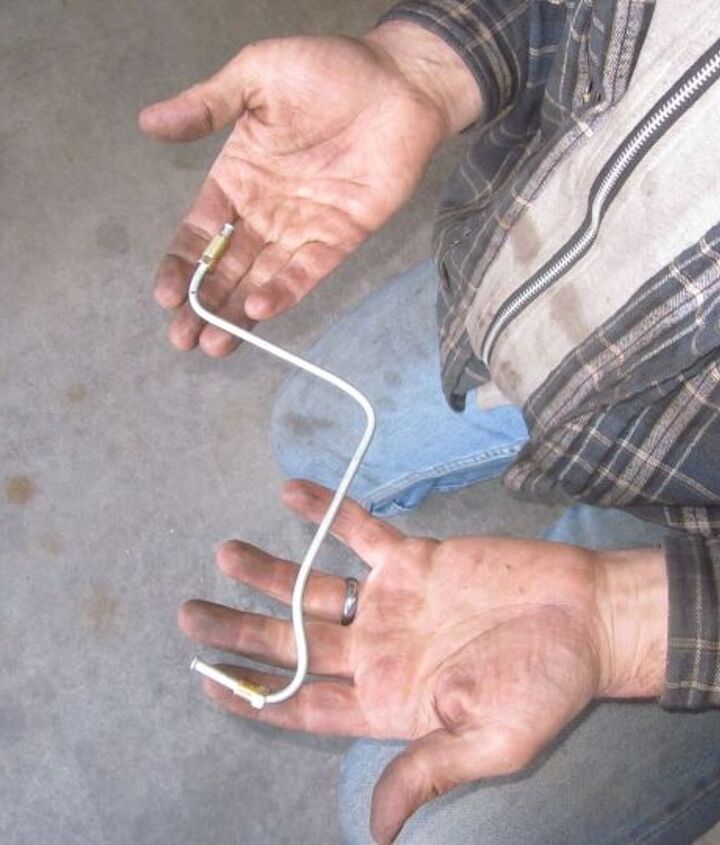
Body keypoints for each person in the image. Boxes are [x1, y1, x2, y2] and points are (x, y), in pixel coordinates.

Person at [139, 2, 720, 843]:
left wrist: (619, 619)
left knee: (435, 831)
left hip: (700, 523)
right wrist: (421, 68)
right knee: (315, 430)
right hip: (538, 283)